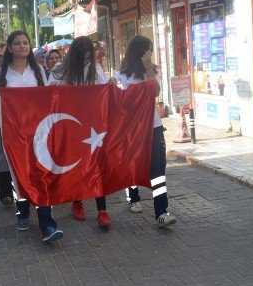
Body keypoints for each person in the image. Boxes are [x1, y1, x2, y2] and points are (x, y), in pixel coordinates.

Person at [0, 30, 63, 243]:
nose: (22, 46)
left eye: (25, 43)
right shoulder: (1, 75)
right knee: (18, 174)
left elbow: (48, 98)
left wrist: (55, 89)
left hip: (38, 133)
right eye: (17, 43)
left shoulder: (38, 71)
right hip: (13, 135)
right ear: (10, 47)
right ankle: (22, 212)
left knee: (40, 174)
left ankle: (47, 224)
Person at [48, 36, 111, 229]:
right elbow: (49, 91)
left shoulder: (95, 68)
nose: (86, 60)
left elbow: (103, 91)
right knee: (75, 164)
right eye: (82, 57)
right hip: (72, 123)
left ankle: (102, 210)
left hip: (93, 123)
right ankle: (77, 202)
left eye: (88, 56)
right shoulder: (61, 69)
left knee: (97, 165)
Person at [118, 36, 177, 228]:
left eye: (151, 51)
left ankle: (161, 212)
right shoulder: (123, 75)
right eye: (147, 50)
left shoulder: (151, 71)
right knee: (134, 163)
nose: (150, 54)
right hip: (133, 128)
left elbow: (156, 92)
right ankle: (133, 196)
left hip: (153, 126)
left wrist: (149, 68)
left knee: (158, 167)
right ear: (139, 52)